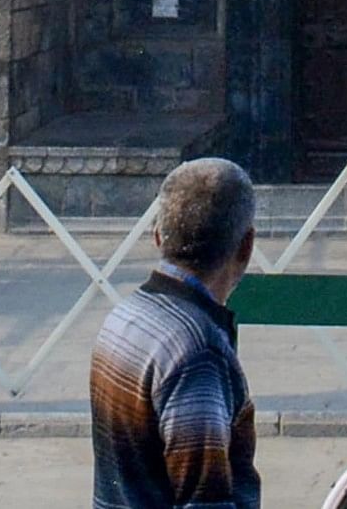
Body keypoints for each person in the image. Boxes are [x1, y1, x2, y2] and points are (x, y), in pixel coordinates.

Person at [93, 155, 262, 509]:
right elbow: (205, 498)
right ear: (246, 247)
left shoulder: (125, 317)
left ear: (157, 236)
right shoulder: (197, 351)